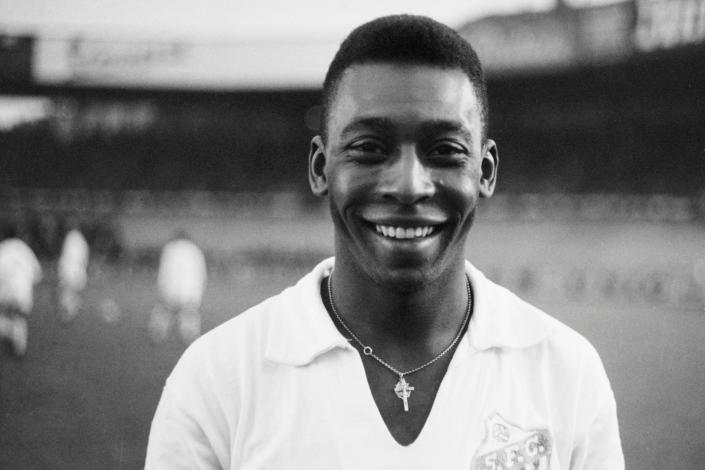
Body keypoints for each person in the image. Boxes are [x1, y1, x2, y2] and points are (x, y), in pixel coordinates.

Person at [145, 15, 624, 469]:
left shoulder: (567, 374)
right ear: (319, 168)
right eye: (369, 148)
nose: (410, 185)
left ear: (486, 170)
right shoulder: (215, 381)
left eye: (445, 151)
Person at [148, 232, 207, 344]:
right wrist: (199, 289)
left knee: (165, 309)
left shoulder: (170, 249)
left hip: (172, 286)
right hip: (190, 287)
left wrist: (162, 286)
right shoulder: (195, 250)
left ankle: (157, 333)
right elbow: (201, 272)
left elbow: (165, 270)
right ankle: (189, 336)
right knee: (189, 312)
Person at [0, 228, 42, 358]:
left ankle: (12, 335)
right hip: (24, 294)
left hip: (6, 292)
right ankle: (19, 346)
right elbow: (37, 275)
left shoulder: (3, 248)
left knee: (6, 318)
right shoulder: (25, 249)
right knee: (19, 319)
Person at [57, 226, 90, 323]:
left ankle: (70, 311)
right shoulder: (80, 240)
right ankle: (71, 309)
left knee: (68, 293)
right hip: (77, 272)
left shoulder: (73, 238)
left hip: (71, 272)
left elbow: (67, 257)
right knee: (70, 293)